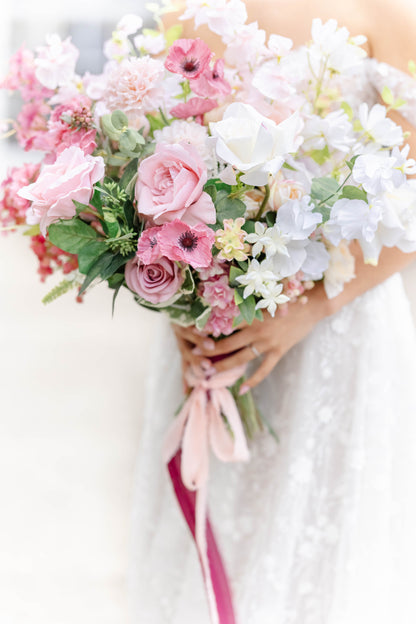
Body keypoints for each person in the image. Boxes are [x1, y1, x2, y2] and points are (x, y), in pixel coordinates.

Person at [129, 1, 416, 622]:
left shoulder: (385, 14)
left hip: (338, 328)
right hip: (215, 328)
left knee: (320, 538)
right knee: (222, 525)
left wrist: (306, 312)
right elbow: (150, 175)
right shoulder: (186, 10)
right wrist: (180, 300)